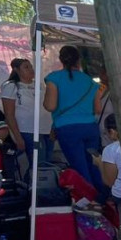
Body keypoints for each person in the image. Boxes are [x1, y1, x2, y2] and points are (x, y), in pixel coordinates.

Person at [43, 45, 102, 192]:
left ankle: (88, 198)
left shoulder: (54, 78)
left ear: (61, 59)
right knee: (94, 164)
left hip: (67, 129)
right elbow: (97, 109)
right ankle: (102, 197)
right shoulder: (90, 81)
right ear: (79, 60)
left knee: (79, 167)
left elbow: (50, 105)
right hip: (90, 127)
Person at [1, 57, 51, 168]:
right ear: (16, 70)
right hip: (28, 130)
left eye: (31, 67)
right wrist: (18, 137)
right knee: (38, 164)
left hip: (46, 129)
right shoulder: (11, 86)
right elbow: (9, 114)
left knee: (47, 162)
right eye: (26, 67)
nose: (31, 70)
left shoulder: (39, 85)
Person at [99, 114, 121, 212]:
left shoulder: (111, 149)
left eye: (106, 133)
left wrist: (99, 163)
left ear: (112, 131)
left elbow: (109, 182)